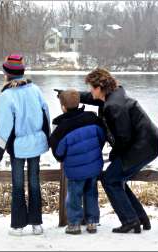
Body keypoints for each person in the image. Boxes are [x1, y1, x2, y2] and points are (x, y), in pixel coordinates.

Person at [59, 68, 158, 233]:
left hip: (142, 147)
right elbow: (92, 99)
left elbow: (123, 138)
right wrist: (71, 94)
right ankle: (140, 218)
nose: (90, 91)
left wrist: (114, 155)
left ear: (99, 88)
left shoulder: (114, 106)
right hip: (148, 143)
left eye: (92, 88)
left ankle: (130, 220)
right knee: (116, 178)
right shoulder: (114, 94)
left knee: (110, 179)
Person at [0, 54, 50, 236]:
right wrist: (48, 139)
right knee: (34, 182)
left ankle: (17, 226)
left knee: (18, 184)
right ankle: (37, 224)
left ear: (7, 74)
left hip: (18, 147)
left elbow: (3, 127)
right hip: (36, 145)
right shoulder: (36, 90)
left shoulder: (7, 95)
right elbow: (46, 115)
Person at [49, 89, 106, 235]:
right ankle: (92, 222)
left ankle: (74, 224)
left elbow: (58, 153)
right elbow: (102, 137)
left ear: (63, 107)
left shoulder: (61, 129)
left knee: (74, 196)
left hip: (75, 170)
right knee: (91, 193)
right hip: (94, 166)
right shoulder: (93, 118)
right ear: (79, 102)